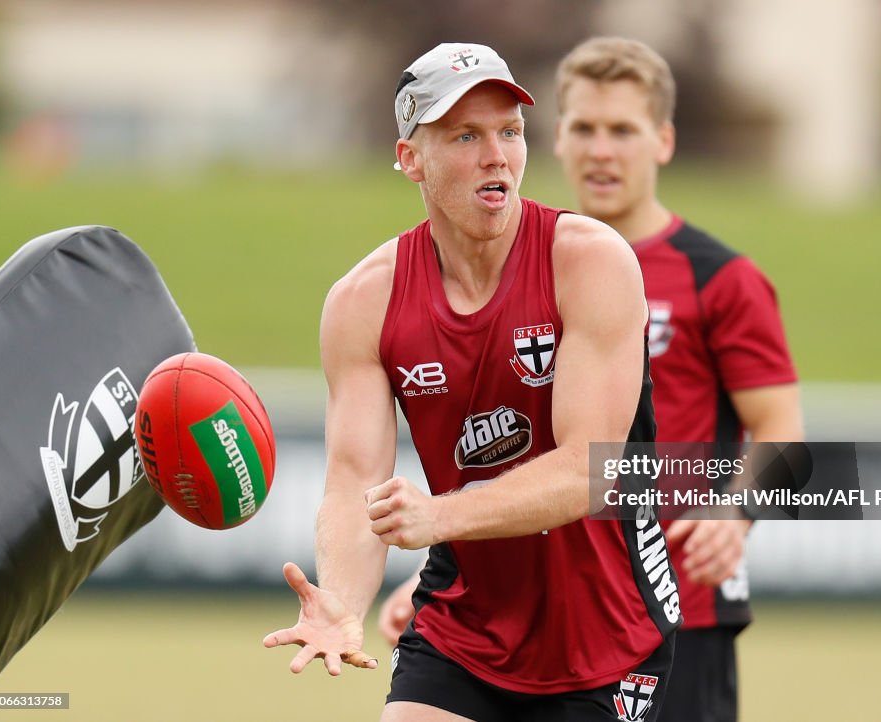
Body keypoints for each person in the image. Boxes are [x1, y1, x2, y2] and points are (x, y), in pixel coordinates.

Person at [379, 37, 804, 722]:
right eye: (584, 128)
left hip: (678, 600)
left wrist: (736, 511)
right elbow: (500, 457)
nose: (601, 150)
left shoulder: (719, 278)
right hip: (529, 607)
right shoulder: (509, 266)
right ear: (556, 138)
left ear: (662, 142)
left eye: (623, 131)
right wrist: (437, 575)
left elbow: (785, 437)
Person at [265, 42, 681, 722]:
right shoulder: (363, 301)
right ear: (411, 160)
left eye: (509, 133)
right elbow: (352, 483)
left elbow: (588, 472)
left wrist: (438, 517)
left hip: (607, 629)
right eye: (465, 136)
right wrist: (341, 599)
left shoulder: (590, 262)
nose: (497, 155)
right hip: (463, 622)